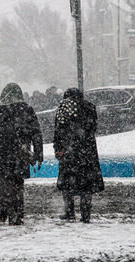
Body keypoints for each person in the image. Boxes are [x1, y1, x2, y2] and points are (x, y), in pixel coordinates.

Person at [0, 83, 43, 225]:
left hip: (1, 154)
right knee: (18, 185)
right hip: (20, 154)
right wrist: (38, 153)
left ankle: (2, 213)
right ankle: (17, 215)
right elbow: (36, 133)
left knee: (1, 184)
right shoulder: (26, 109)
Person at [53, 87, 104, 223]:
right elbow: (93, 128)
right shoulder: (90, 108)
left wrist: (58, 148)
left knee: (68, 183)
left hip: (69, 150)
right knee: (86, 184)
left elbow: (59, 130)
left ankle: (69, 212)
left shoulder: (65, 107)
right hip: (87, 151)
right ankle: (86, 214)